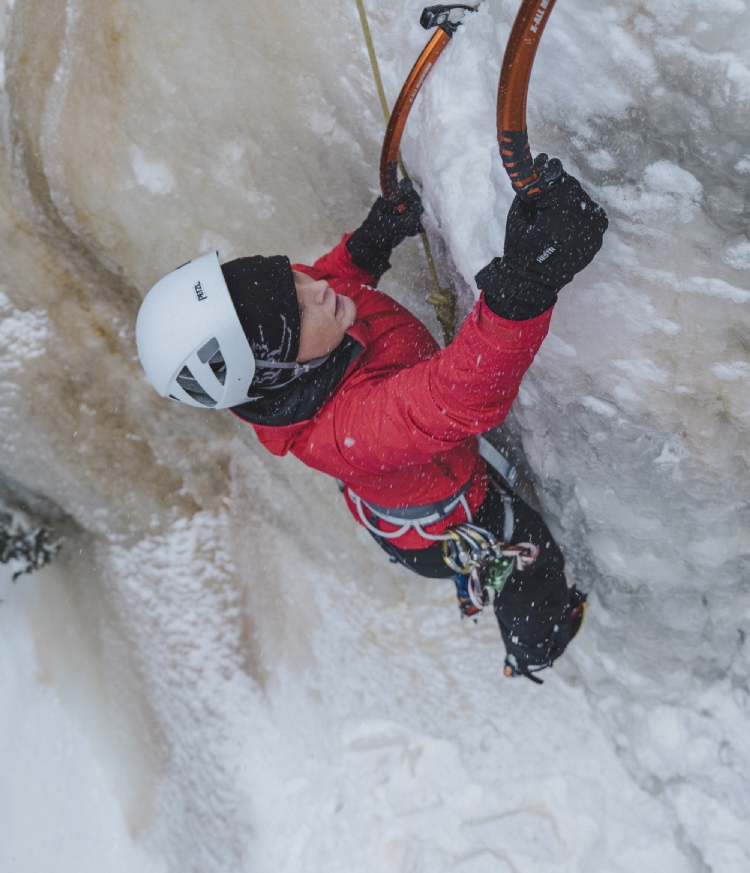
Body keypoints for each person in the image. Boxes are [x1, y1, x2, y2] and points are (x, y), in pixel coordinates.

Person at [136, 156, 607, 681]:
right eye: (298, 309)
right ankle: (536, 646)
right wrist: (527, 282)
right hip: (446, 523)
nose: (314, 289)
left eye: (286, 274)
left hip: (405, 485)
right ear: (276, 372)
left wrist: (368, 245)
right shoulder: (346, 427)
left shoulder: (287, 343)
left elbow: (325, 279)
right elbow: (460, 396)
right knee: (530, 562)